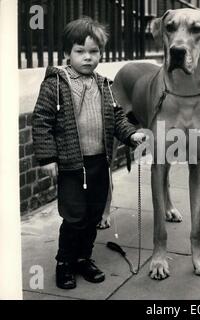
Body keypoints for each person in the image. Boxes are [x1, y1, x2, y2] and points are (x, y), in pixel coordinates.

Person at [32, 17, 145, 290]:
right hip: (72, 165)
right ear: (67, 54)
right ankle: (65, 262)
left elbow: (117, 118)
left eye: (93, 52)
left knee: (94, 214)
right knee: (74, 216)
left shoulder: (104, 85)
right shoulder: (56, 84)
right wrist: (48, 158)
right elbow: (42, 120)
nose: (87, 57)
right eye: (80, 51)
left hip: (98, 162)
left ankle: (84, 258)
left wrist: (131, 134)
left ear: (101, 54)